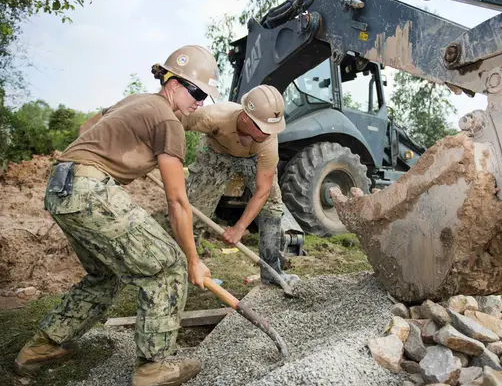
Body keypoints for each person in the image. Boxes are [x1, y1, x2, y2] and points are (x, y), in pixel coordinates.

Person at [14, 45, 218, 386]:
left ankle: (40, 348)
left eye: (205, 95)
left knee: (105, 274)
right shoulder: (169, 122)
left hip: (60, 186)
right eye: (195, 90)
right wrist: (193, 259)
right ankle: (153, 366)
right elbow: (178, 202)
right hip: (89, 190)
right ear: (171, 81)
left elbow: (85, 128)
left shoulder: (136, 101)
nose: (199, 100)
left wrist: (117, 159)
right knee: (168, 267)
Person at [180, 85, 299, 286]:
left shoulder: (268, 142)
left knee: (272, 204)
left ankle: (271, 272)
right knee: (193, 209)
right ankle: (184, 269)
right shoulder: (213, 116)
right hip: (215, 153)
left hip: (253, 157)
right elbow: (172, 121)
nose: (268, 133)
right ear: (245, 117)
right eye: (263, 128)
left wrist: (239, 227)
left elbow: (263, 191)